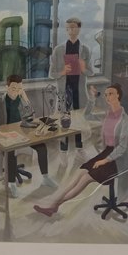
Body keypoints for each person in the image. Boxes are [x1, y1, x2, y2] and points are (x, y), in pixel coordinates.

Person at [33, 83, 128, 217]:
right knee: (80, 172)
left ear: (118, 95)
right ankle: (53, 204)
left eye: (111, 93)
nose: (107, 97)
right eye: (106, 95)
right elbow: (87, 115)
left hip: (118, 160)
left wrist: (104, 161)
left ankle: (53, 205)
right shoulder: (108, 114)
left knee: (85, 178)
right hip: (107, 153)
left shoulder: (125, 120)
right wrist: (92, 98)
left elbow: (122, 147)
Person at [0, 74, 58, 198]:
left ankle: (45, 178)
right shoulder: (0, 102)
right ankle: (12, 184)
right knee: (11, 151)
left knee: (42, 147)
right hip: (7, 135)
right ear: (7, 87)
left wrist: (25, 96)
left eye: (19, 88)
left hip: (22, 132)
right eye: (13, 88)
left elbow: (31, 114)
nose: (16, 91)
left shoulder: (20, 98)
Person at [49, 17, 94, 154]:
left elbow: (90, 72)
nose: (70, 30)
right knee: (64, 120)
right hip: (64, 91)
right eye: (68, 28)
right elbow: (51, 74)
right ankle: (63, 150)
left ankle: (80, 148)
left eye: (73, 27)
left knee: (78, 120)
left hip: (78, 91)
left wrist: (83, 68)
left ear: (79, 29)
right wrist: (62, 72)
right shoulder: (58, 50)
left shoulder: (85, 50)